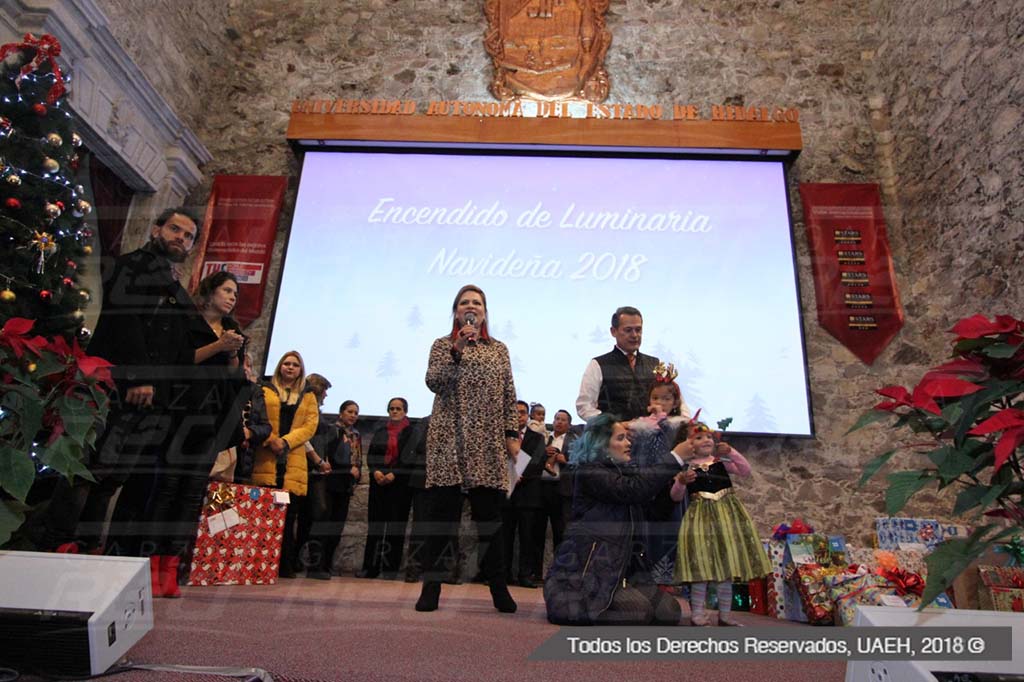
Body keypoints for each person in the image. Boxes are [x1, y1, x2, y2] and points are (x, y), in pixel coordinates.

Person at [31, 209, 201, 581]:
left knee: (111, 478)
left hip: (151, 399)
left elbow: (175, 344)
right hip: (116, 387)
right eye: (175, 229)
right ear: (156, 229)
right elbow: (126, 322)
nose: (181, 238)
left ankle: (87, 552)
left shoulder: (173, 285)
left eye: (189, 236)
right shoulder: (131, 266)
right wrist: (140, 377)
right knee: (86, 470)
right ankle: (55, 548)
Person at [415, 284, 520, 614]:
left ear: (485, 312)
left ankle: (499, 589)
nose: (471, 307)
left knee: (489, 521)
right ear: (456, 311)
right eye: (464, 303)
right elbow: (434, 382)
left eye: (476, 303)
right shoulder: (443, 345)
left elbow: (508, 393)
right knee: (441, 521)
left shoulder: (499, 349)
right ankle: (431, 588)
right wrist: (457, 348)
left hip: (487, 442)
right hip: (448, 440)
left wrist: (511, 433)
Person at [142, 270, 247, 596]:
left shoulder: (233, 330)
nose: (232, 297)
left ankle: (171, 569)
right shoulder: (186, 322)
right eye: (227, 290)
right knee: (167, 488)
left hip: (211, 420)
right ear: (210, 292)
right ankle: (150, 567)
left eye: (235, 294)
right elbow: (178, 363)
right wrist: (218, 346)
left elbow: (235, 378)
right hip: (179, 413)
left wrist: (232, 352)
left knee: (191, 495)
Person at [543, 414, 695, 626]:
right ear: (602, 444)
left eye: (627, 437)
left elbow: (653, 513)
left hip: (624, 573)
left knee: (669, 612)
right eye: (620, 438)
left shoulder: (624, 472)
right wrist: (675, 457)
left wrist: (677, 487)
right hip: (592, 576)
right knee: (639, 612)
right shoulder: (590, 471)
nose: (628, 443)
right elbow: (632, 490)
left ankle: (622, 597)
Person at [670, 420, 771, 626]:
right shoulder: (686, 469)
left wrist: (731, 452)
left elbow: (745, 470)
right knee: (702, 569)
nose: (706, 440)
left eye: (708, 436)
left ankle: (725, 615)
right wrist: (681, 482)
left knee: (727, 569)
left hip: (727, 517)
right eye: (699, 437)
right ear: (687, 444)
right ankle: (698, 615)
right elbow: (675, 497)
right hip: (700, 519)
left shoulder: (721, 462)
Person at [250, 351, 319, 579]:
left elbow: (309, 427)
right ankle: (259, 564)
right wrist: (271, 440)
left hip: (293, 460)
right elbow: (256, 418)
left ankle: (284, 565)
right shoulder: (265, 390)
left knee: (289, 518)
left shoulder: (308, 396)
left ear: (301, 370)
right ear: (280, 366)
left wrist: (286, 441)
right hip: (267, 456)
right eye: (287, 363)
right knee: (262, 516)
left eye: (295, 365)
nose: (290, 367)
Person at [637, 364, 691, 590]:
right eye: (655, 398)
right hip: (647, 486)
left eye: (666, 399)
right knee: (648, 531)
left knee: (670, 530)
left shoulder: (681, 426)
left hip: (672, 487)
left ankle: (666, 579)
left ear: (675, 402)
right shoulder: (641, 425)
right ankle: (645, 576)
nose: (660, 403)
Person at [576, 306, 674, 421]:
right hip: (612, 431)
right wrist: (612, 426)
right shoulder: (598, 364)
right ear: (613, 331)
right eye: (628, 330)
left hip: (651, 430)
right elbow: (584, 406)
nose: (634, 335)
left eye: (638, 330)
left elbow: (674, 399)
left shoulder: (655, 364)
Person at [358, 397, 415, 579]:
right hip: (379, 484)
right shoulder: (381, 431)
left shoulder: (412, 432)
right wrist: (375, 471)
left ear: (405, 411)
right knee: (375, 527)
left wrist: (395, 473)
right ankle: (370, 568)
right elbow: (372, 455)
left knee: (395, 528)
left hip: (400, 486)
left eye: (398, 408)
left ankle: (390, 569)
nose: (395, 411)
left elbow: (410, 457)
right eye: (392, 408)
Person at [502, 400, 547, 588]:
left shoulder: (537, 438)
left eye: (522, 412)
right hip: (507, 494)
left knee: (527, 537)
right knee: (505, 537)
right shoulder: (501, 435)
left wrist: (519, 473)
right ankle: (503, 574)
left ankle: (525, 575)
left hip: (528, 494)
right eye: (515, 412)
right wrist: (511, 474)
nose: (518, 415)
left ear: (527, 416)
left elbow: (538, 462)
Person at [535, 408, 575, 578]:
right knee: (537, 532)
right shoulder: (543, 438)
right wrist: (543, 453)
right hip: (541, 489)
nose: (559, 422)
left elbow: (580, 464)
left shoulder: (574, 441)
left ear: (569, 424)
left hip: (561, 490)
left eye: (563, 420)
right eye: (557, 418)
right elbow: (531, 459)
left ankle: (559, 573)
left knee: (560, 532)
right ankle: (536, 573)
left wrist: (566, 461)